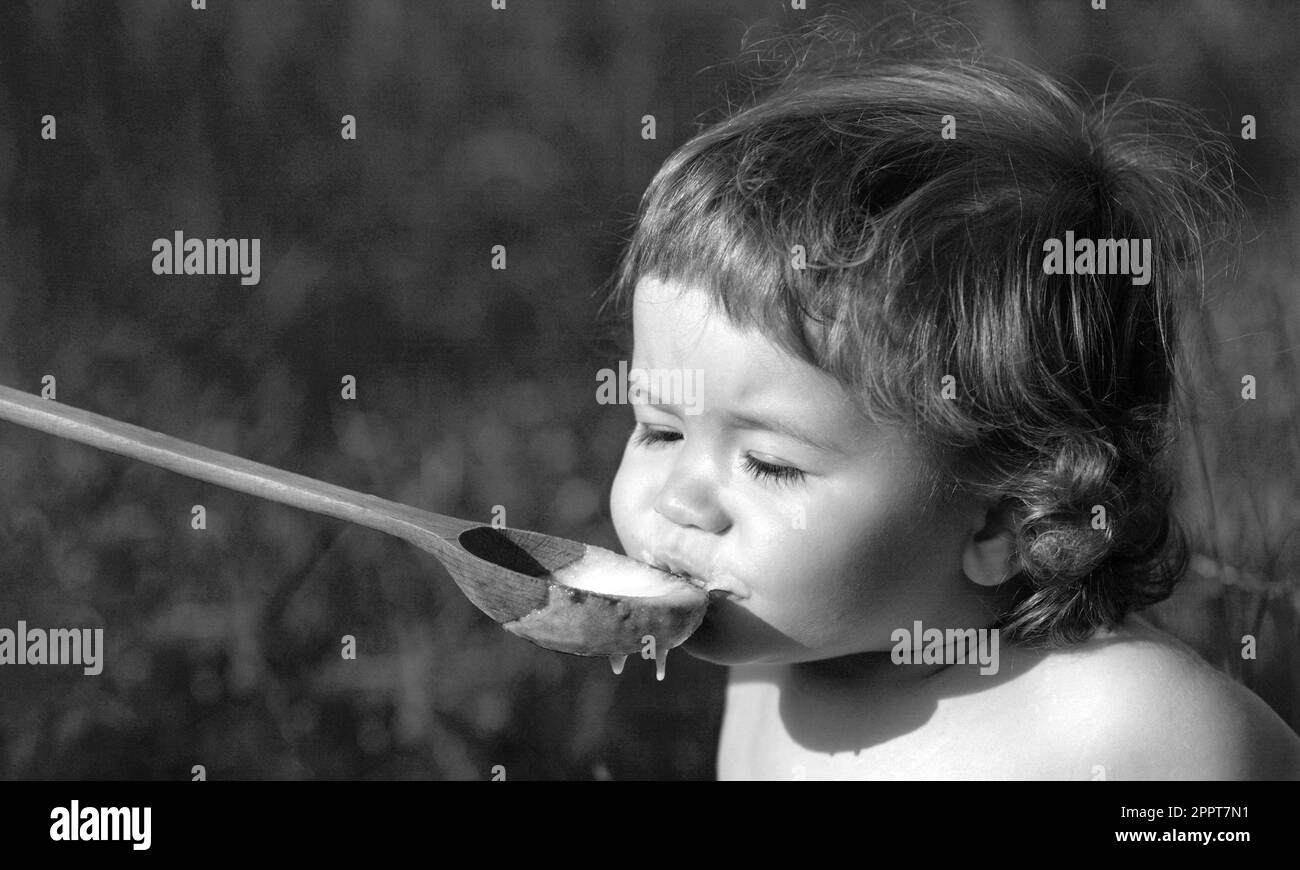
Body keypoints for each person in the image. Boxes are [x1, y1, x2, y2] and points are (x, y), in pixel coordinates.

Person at [598, 17, 1300, 779]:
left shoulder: (1129, 725)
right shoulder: (765, 670)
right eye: (659, 431)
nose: (681, 501)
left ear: (1002, 520)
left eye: (769, 463)